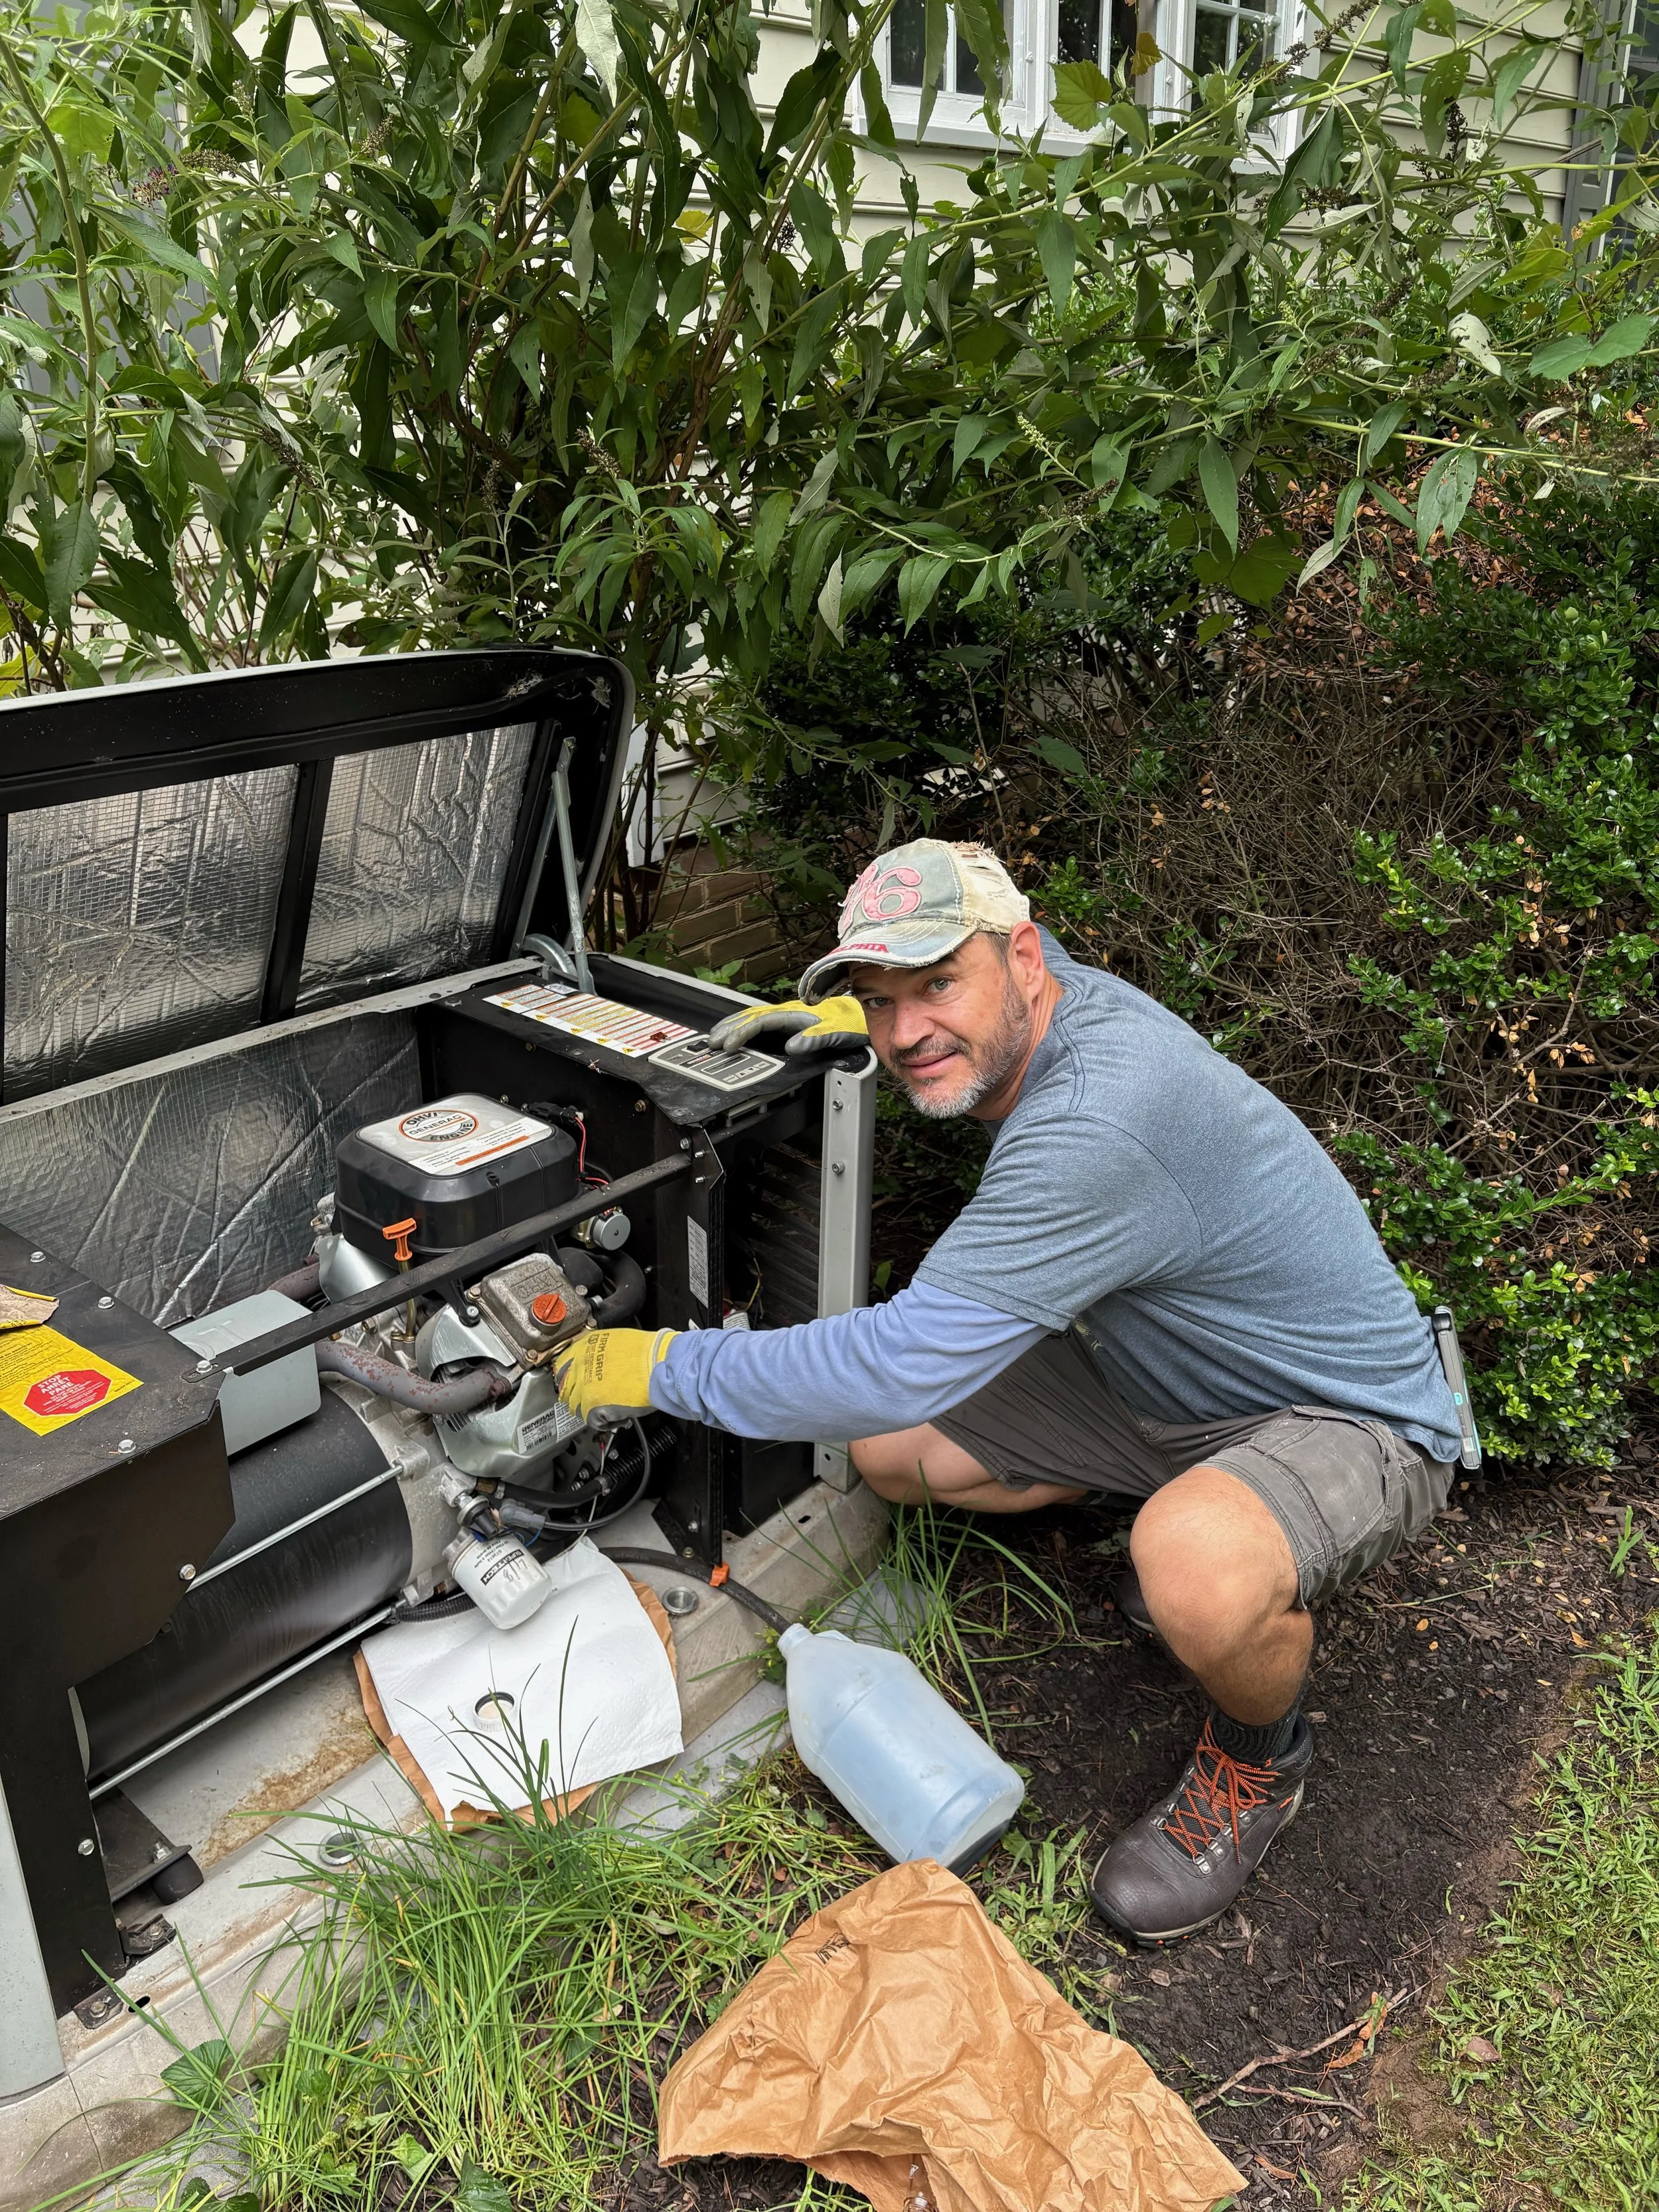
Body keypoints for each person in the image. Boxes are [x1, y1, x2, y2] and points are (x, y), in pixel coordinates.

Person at [557, 840, 1460, 1944]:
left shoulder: (1100, 1120)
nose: (903, 1033)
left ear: (1021, 960)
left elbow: (892, 1360)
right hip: (1169, 1384)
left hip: (1349, 1417)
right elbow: (899, 1403)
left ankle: (1258, 1757)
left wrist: (662, 1367)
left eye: (938, 983)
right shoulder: (1056, 996)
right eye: (878, 1001)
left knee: (1190, 1565)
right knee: (896, 1456)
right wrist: (905, 1018)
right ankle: (1191, 1521)